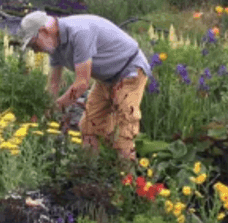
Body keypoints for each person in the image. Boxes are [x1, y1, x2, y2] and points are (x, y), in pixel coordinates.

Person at [19, 10, 151, 160]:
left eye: (33, 45)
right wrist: (44, 109)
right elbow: (54, 83)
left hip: (129, 71)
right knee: (89, 128)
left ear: (44, 32)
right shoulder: (55, 47)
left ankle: (127, 180)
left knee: (123, 133)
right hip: (105, 79)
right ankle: (90, 173)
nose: (35, 51)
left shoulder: (79, 32)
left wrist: (56, 107)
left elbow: (82, 84)